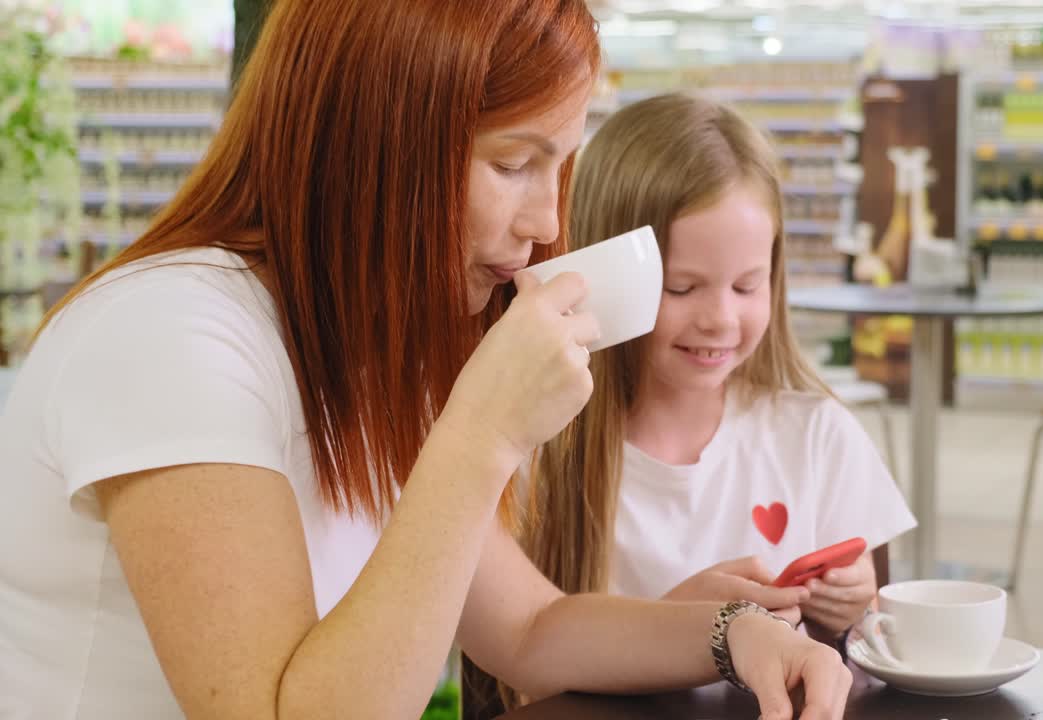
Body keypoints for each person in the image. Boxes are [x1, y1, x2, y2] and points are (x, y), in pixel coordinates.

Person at [0, 4, 853, 719]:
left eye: (558, 169)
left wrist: (733, 630)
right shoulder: (173, 335)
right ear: (375, 147)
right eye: (514, 164)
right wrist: (479, 433)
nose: (548, 226)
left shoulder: (371, 345)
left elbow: (529, 630)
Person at [525, 92, 917, 652]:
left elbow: (877, 637)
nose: (721, 320)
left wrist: (854, 607)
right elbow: (519, 660)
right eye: (681, 288)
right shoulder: (545, 455)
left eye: (746, 285)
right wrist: (675, 629)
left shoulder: (814, 435)